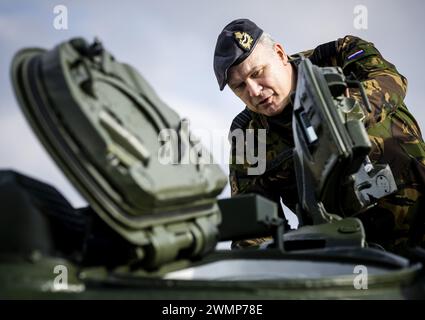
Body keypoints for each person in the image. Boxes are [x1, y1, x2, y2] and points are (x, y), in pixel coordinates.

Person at [213, 18, 425, 253]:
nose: (253, 91)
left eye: (258, 72)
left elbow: (390, 81)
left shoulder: (340, 56)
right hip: (354, 262)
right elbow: (252, 231)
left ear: (280, 54)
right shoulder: (249, 136)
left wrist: (339, 114)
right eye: (239, 86)